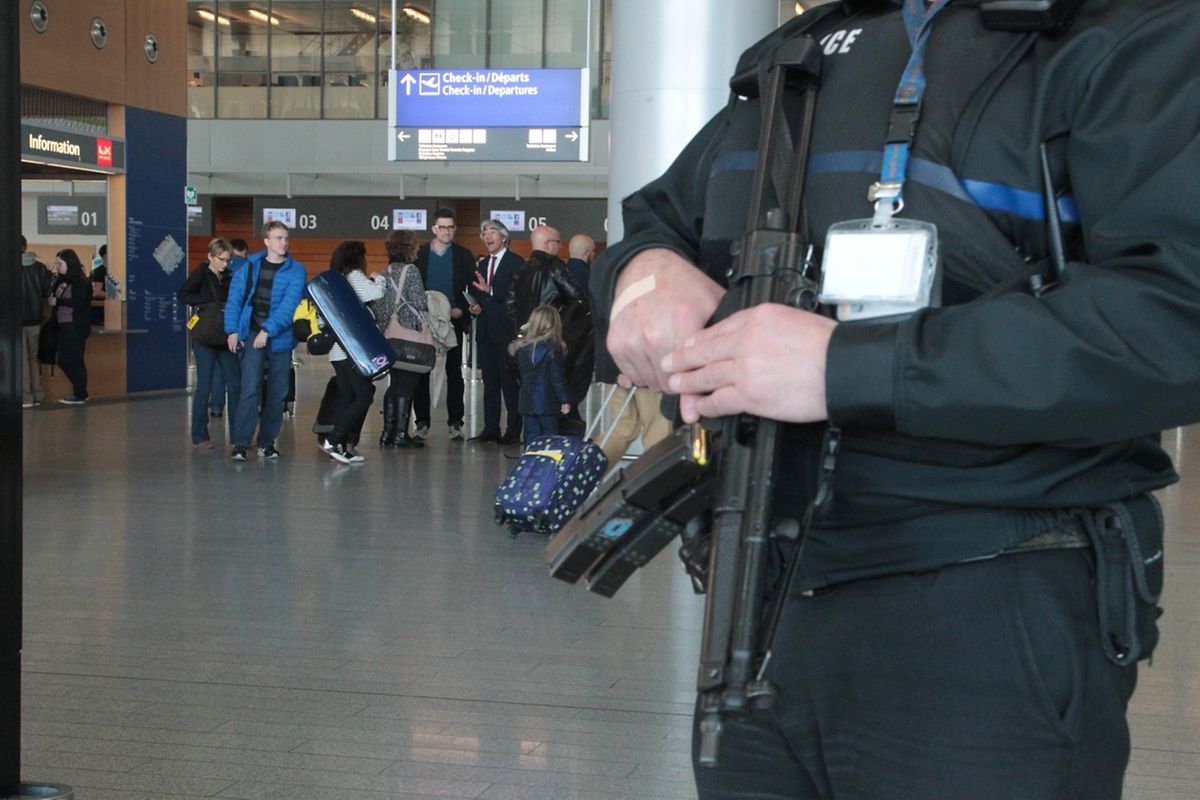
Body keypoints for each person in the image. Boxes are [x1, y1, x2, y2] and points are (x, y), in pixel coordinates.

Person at [594, 1, 1200, 798]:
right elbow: (659, 220)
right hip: (758, 595)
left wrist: (846, 367)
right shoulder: (804, 50)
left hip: (987, 601)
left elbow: (1174, 314)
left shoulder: (1126, 33)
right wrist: (642, 274)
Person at [224, 221, 306, 461]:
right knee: (249, 389)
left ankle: (267, 442)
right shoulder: (250, 266)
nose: (284, 243)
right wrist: (232, 330)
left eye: (286, 238)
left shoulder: (296, 270)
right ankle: (241, 443)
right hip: (252, 333)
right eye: (279, 238)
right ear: (266, 241)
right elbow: (235, 299)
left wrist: (268, 330)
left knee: (277, 393)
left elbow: (289, 306)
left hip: (280, 339)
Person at [506, 225, 593, 415]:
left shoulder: (521, 271)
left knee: (533, 390)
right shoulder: (555, 267)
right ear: (548, 244)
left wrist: (525, 329)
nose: (560, 246)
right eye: (558, 242)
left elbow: (510, 306)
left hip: (527, 342)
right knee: (558, 388)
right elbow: (578, 297)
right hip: (552, 340)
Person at [413, 208, 475, 442]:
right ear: (434, 228)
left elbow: (471, 288)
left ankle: (455, 423)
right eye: (442, 227)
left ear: (455, 229)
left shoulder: (463, 255)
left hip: (452, 321)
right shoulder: (420, 254)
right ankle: (421, 422)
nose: (446, 231)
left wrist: (461, 308)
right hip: (424, 322)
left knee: (454, 372)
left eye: (450, 227)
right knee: (422, 371)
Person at [177, 238, 241, 448]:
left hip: (225, 337)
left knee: (235, 385)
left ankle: (238, 435)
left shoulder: (229, 277)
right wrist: (207, 300)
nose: (224, 264)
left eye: (227, 260)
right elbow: (183, 295)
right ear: (210, 257)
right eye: (221, 259)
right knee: (204, 387)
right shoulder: (200, 274)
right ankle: (200, 435)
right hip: (205, 337)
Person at [324, 240, 384, 464]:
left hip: (337, 351)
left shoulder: (336, 280)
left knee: (347, 396)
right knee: (364, 394)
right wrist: (379, 278)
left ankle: (340, 444)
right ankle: (334, 439)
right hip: (352, 351)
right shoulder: (355, 276)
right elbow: (375, 293)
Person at [372, 230, 430, 450]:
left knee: (394, 385)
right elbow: (419, 303)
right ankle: (400, 434)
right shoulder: (411, 271)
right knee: (407, 386)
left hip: (390, 336)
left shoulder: (386, 272)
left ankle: (387, 433)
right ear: (409, 248)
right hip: (409, 337)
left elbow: (380, 306)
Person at [467, 219, 523, 445]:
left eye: (492, 231)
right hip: (486, 332)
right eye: (484, 233)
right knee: (489, 383)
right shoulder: (482, 265)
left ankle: (513, 430)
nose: (487, 236)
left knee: (509, 384)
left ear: (504, 237)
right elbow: (479, 293)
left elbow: (516, 295)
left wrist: (491, 291)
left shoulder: (516, 262)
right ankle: (491, 428)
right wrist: (475, 305)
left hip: (507, 333)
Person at [511, 305, 571, 442]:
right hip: (547, 401)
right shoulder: (554, 347)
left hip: (527, 400)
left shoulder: (522, 348)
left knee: (530, 437)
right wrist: (564, 400)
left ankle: (531, 456)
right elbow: (557, 378)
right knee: (550, 438)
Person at [210, 238, 251, 418]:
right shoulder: (247, 266)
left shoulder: (215, 268)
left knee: (218, 368)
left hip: (216, 323)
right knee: (237, 370)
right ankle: (238, 411)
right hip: (238, 324)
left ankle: (216, 406)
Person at [48, 249, 93, 405]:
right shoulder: (62, 280)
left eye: (60, 264)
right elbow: (52, 294)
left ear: (70, 263)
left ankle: (80, 392)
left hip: (75, 325)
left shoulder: (81, 282)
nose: (58, 267)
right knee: (70, 359)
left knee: (69, 359)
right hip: (63, 325)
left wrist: (58, 302)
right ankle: (81, 392)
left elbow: (79, 302)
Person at [20, 236, 51, 408]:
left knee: (22, 359)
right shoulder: (40, 268)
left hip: (16, 319)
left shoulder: (8, 266)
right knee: (33, 358)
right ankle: (37, 394)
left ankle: (26, 397)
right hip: (36, 319)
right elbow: (47, 293)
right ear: (25, 246)